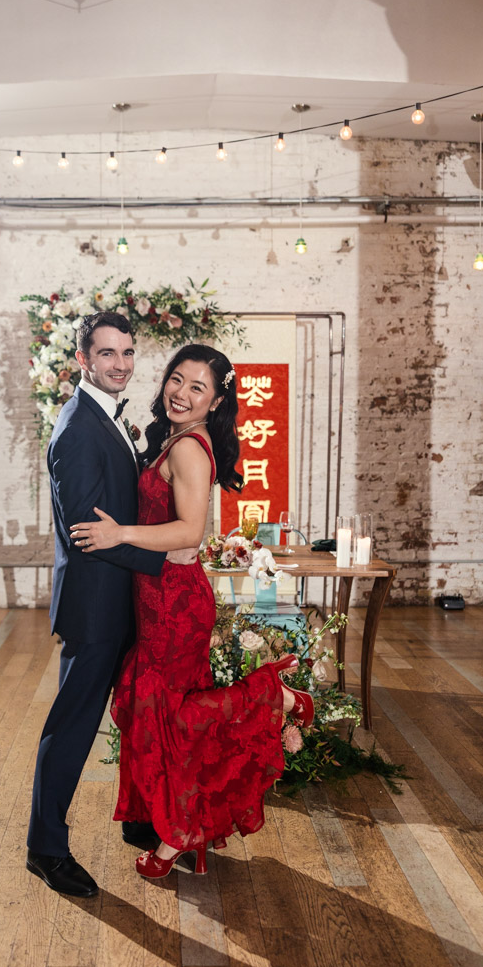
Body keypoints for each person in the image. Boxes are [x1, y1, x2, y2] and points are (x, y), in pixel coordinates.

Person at [70, 344, 313, 879]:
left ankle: (177, 836)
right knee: (159, 714)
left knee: (174, 721)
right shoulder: (175, 439)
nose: (181, 393)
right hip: (160, 598)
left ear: (216, 400)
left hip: (176, 602)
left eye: (197, 387)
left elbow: (189, 532)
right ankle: (180, 828)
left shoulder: (188, 449)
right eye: (176, 380)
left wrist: (119, 533)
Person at [26, 312, 195, 898]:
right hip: (95, 610)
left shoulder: (109, 418)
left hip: (123, 603)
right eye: (108, 354)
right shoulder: (76, 428)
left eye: (127, 352)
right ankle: (45, 848)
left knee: (133, 714)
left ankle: (138, 819)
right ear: (84, 360)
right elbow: (89, 532)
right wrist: (163, 558)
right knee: (71, 728)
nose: (120, 364)